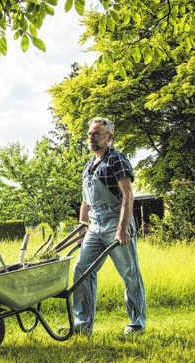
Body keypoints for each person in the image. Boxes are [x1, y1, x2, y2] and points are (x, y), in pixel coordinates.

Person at [71, 117, 146, 336]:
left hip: (116, 221)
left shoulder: (117, 160)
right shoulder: (89, 166)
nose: (91, 138)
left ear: (109, 137)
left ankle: (137, 324)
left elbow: (128, 195)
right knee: (81, 270)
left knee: (130, 274)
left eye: (96, 133)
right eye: (90, 134)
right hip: (96, 224)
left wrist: (123, 228)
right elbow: (86, 200)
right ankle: (82, 325)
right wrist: (82, 227)